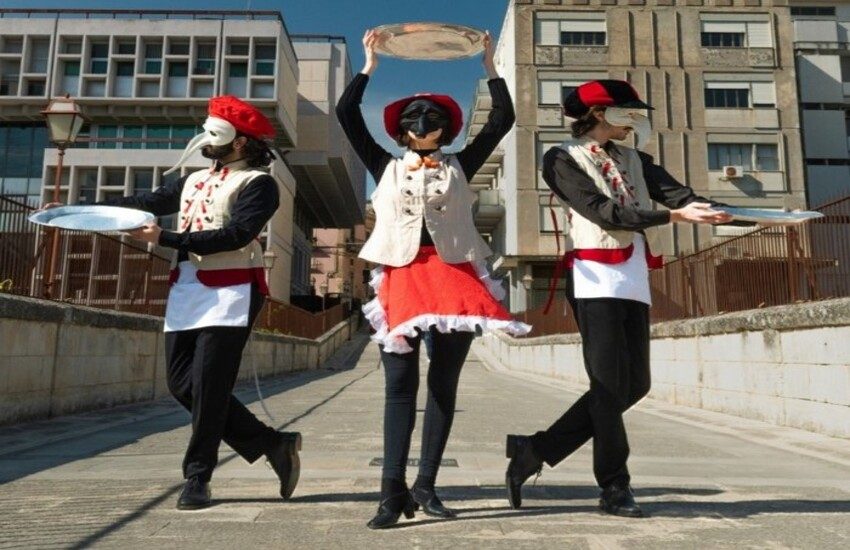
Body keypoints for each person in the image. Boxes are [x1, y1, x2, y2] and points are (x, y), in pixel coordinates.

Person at [48, 96, 303, 510]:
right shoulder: (193, 181)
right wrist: (73, 211)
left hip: (232, 291)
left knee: (208, 385)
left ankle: (197, 476)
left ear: (239, 143)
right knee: (181, 384)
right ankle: (272, 443)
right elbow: (145, 204)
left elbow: (236, 236)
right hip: (188, 286)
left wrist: (164, 239)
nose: (205, 139)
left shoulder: (259, 184)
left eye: (215, 132)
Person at [505, 80, 734, 518]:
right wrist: (671, 214)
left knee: (636, 384)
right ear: (598, 115)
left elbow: (682, 197)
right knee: (608, 386)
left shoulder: (636, 159)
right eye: (628, 113)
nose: (636, 122)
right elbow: (602, 210)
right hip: (593, 276)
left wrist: (727, 211)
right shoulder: (560, 159)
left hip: (631, 273)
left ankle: (535, 449)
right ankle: (614, 486)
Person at [337, 29, 530, 529]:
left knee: (444, 384)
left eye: (434, 119)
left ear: (446, 129)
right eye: (414, 119)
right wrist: (370, 64)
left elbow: (503, 119)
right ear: (400, 130)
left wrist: (488, 65)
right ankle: (390, 492)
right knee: (399, 386)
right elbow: (346, 115)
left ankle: (426, 486)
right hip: (402, 273)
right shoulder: (384, 165)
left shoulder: (462, 164)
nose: (424, 124)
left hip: (456, 273)